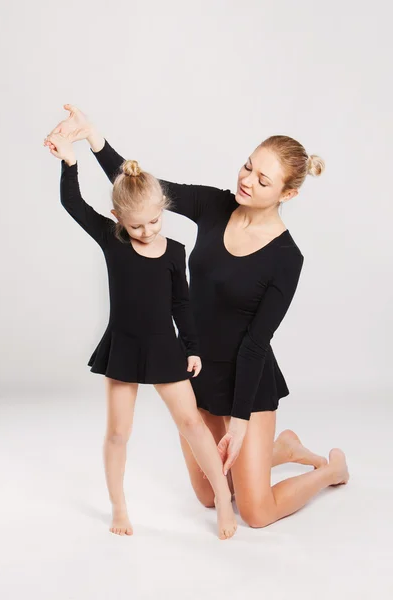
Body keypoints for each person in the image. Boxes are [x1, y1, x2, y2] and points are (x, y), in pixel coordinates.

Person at [45, 105, 349, 530]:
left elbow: (257, 342)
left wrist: (240, 423)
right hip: (198, 369)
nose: (246, 180)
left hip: (247, 379)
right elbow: (143, 188)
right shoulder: (214, 204)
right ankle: (282, 449)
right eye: (247, 166)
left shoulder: (286, 258)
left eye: (263, 180)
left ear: (288, 194)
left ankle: (330, 470)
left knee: (256, 512)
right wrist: (93, 138)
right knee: (208, 496)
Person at [45, 130, 237, 540]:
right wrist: (69, 161)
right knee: (117, 433)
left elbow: (181, 304)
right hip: (125, 348)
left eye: (154, 220)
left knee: (191, 423)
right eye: (136, 225)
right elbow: (72, 203)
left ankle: (222, 496)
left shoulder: (174, 252)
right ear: (117, 219)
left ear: (162, 209)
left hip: (164, 348)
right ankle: (119, 506)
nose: (148, 230)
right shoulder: (111, 239)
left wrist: (192, 347)